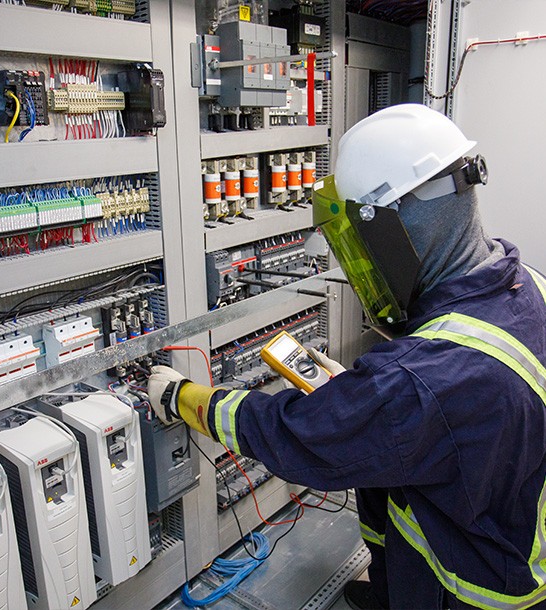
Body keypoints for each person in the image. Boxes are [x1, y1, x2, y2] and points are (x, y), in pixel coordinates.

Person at [148, 104, 546, 609]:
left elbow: (295, 435)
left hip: (469, 588)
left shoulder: (419, 379)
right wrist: (367, 401)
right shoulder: (526, 282)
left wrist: (181, 396)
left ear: (390, 224)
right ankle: (385, 591)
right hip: (508, 518)